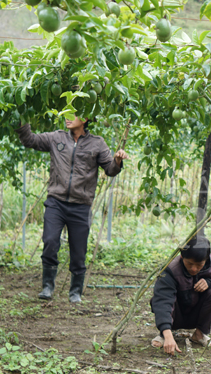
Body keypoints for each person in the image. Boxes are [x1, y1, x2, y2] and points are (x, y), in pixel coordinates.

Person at [16, 117, 128, 303]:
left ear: (85, 119)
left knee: (78, 251)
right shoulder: (56, 138)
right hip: (56, 202)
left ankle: (75, 291)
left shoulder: (97, 143)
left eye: (72, 114)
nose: (67, 118)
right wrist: (22, 120)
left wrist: (117, 160)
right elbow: (31, 140)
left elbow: (110, 170)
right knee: (50, 241)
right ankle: (47, 286)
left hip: (80, 205)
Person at [150, 236, 211, 354]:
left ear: (207, 259)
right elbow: (163, 301)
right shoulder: (170, 269)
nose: (194, 269)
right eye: (189, 263)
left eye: (199, 265)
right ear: (182, 256)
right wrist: (166, 332)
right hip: (175, 315)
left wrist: (210, 283)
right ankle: (166, 335)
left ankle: (200, 334)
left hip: (197, 314)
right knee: (161, 299)